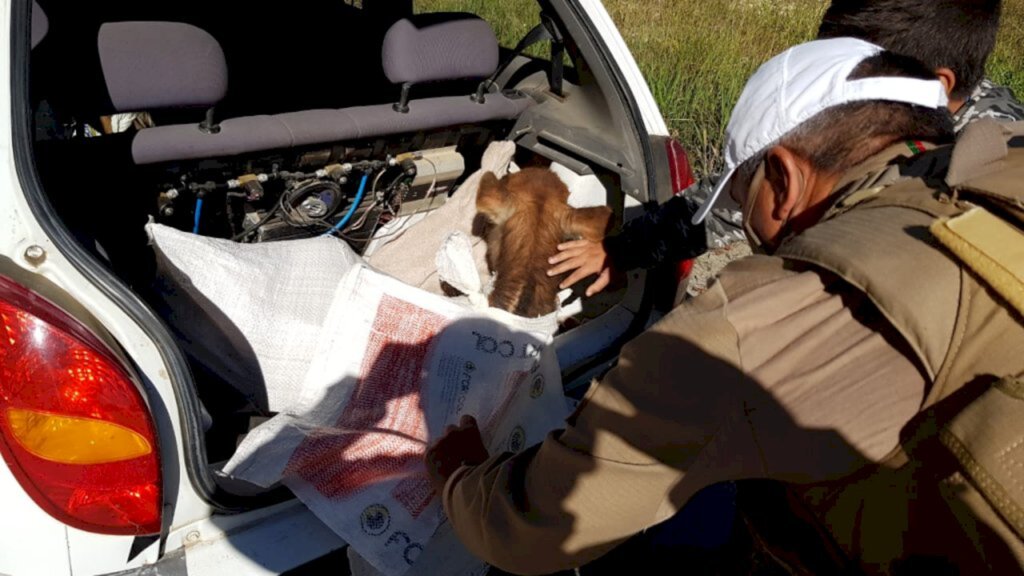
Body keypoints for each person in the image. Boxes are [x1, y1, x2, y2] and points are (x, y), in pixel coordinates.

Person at [426, 37, 1024, 574]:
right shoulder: (1001, 156)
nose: (746, 222)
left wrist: (461, 476)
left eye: (741, 194)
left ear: (784, 180)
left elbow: (533, 530)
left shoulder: (762, 321)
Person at [549, 0, 1024, 298]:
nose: (828, 78)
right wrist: (622, 249)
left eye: (849, 65)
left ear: (937, 85)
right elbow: (726, 203)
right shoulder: (880, 119)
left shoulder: (988, 177)